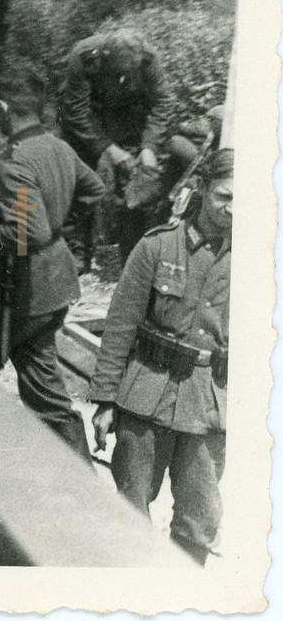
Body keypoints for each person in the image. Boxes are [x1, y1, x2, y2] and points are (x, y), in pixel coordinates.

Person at [0, 64, 106, 458]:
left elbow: (27, 234)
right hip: (49, 293)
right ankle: (79, 478)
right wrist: (57, 225)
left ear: (4, 107)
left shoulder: (16, 164)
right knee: (46, 396)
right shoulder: (58, 147)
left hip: (14, 295)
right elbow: (95, 190)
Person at [88, 148, 233, 565]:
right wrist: (104, 400)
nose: (232, 209)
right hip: (146, 397)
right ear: (202, 188)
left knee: (199, 517)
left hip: (209, 406)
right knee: (130, 507)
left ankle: (182, 593)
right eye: (224, 196)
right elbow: (120, 326)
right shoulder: (158, 246)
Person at [59, 29, 178, 264]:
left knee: (134, 178)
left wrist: (149, 147)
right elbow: (77, 110)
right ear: (105, 57)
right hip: (88, 116)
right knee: (80, 177)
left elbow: (163, 101)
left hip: (127, 114)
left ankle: (133, 254)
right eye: (119, 71)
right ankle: (77, 253)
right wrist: (108, 148)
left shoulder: (148, 58)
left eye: (131, 71)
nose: (125, 77)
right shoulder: (84, 55)